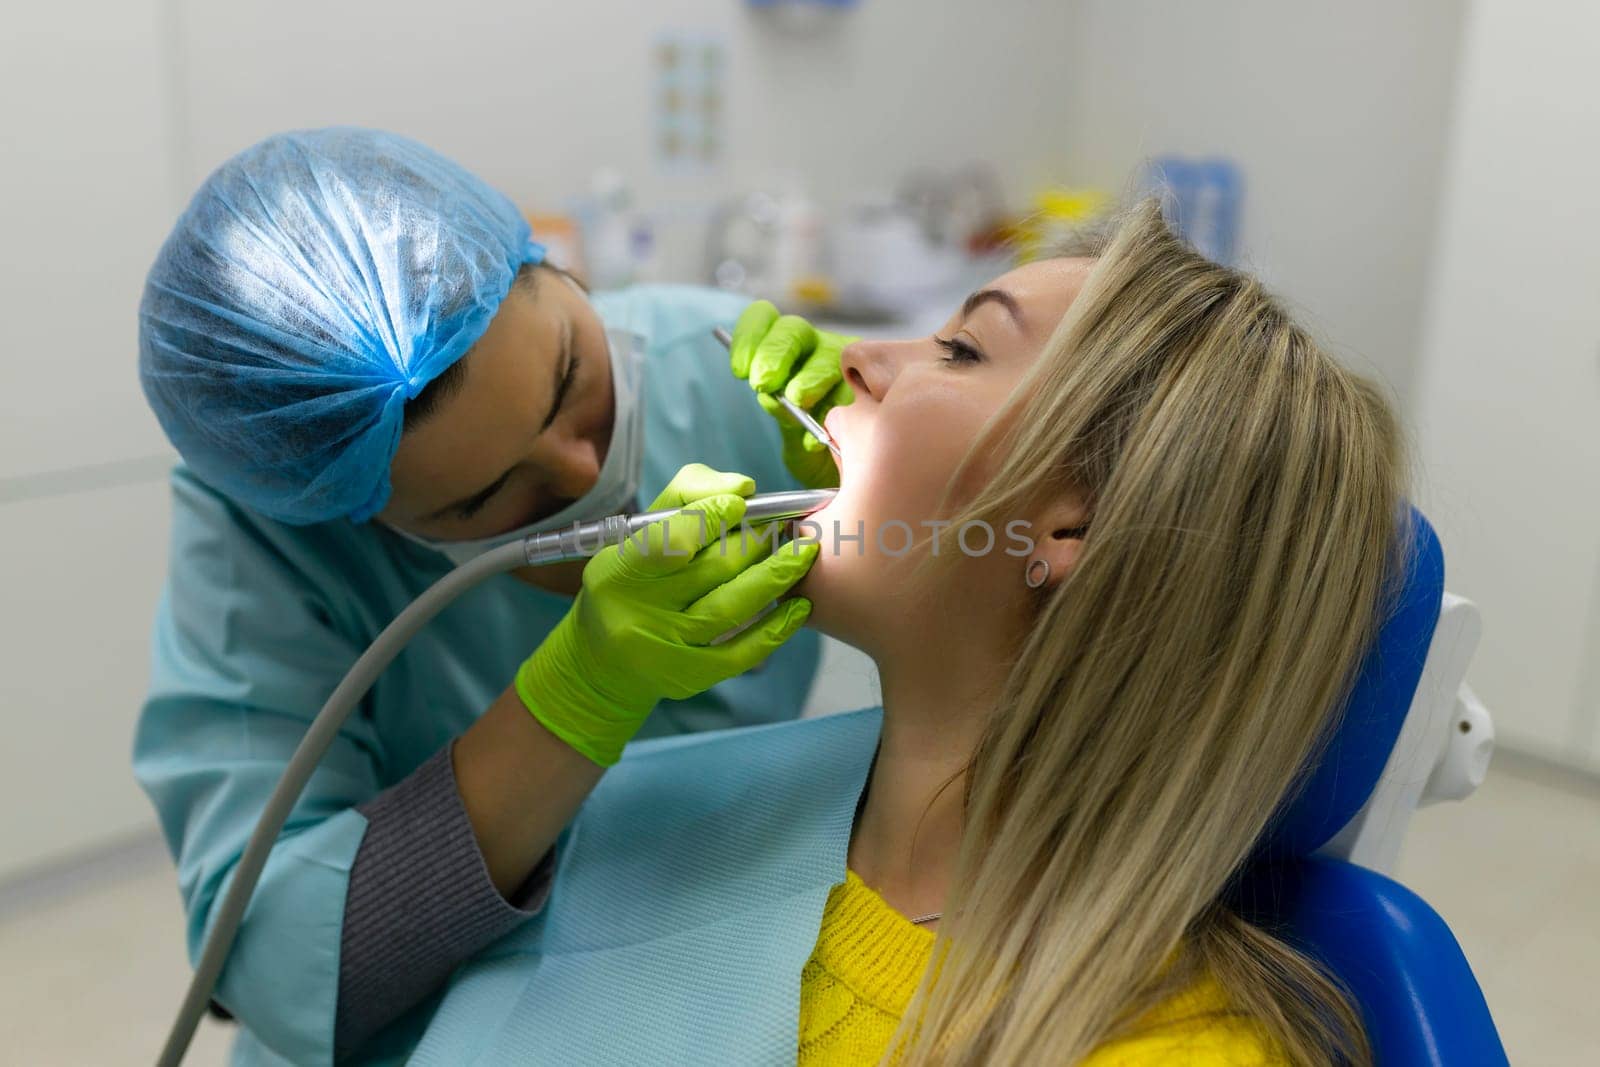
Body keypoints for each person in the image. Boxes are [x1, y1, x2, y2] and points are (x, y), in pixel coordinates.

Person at [355, 199, 1409, 1065]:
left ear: (1070, 528)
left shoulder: (1168, 1050)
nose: (853, 359)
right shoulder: (696, 819)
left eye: (958, 346)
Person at [132, 128, 831, 1063]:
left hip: (716, 966)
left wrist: (904, 507)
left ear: (544, 267)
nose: (582, 471)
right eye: (485, 499)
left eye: (573, 379)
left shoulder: (736, 370)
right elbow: (276, 952)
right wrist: (575, 697)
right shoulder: (272, 531)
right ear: (355, 517)